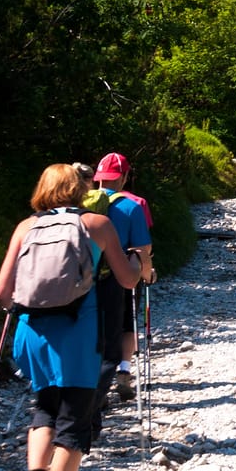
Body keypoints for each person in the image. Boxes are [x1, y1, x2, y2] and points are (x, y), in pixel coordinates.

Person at [0, 163, 140, 471]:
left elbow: (0, 293)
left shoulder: (26, 228)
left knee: (45, 407)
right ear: (80, 189)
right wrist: (138, 262)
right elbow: (126, 280)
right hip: (78, 332)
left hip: (32, 333)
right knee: (75, 420)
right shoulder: (96, 225)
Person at [90, 153, 155, 400]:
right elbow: (142, 250)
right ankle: (118, 377)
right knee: (121, 330)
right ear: (125, 177)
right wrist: (146, 273)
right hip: (118, 280)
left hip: (79, 280)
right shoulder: (131, 206)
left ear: (98, 177)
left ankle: (85, 391)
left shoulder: (78, 202)